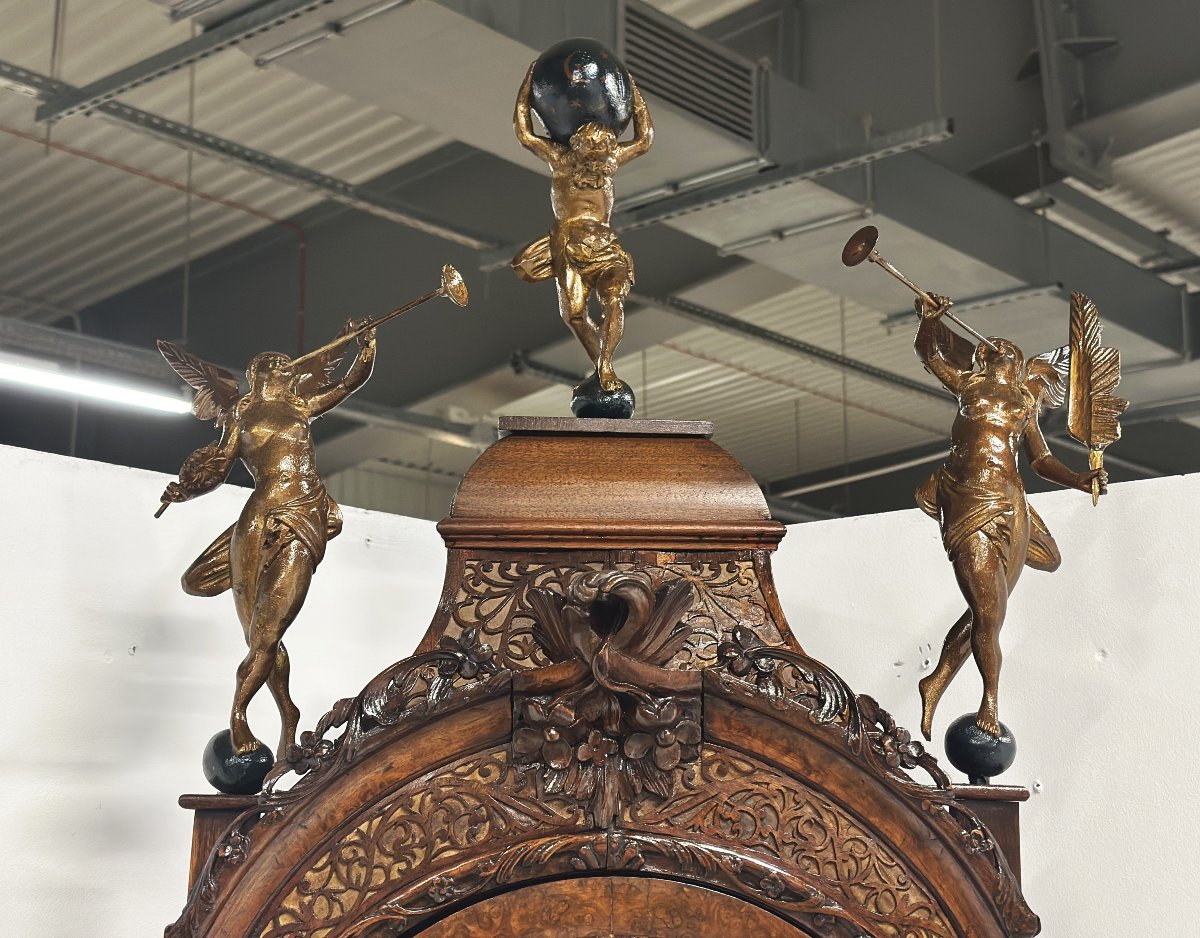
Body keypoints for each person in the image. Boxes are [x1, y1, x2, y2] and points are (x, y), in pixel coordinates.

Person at [158, 322, 376, 757]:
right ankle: (288, 712)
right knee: (256, 632)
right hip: (257, 519)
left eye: (284, 364)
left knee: (268, 629)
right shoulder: (241, 413)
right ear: (257, 376)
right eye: (271, 365)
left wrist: (366, 345)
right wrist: (186, 489)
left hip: (302, 514)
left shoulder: (301, 405)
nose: (282, 367)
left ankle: (238, 714)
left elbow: (352, 382)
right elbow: (218, 467)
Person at [913, 296, 1106, 740]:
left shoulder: (1023, 401)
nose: (1001, 346)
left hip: (1010, 500)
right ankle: (989, 701)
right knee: (988, 610)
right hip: (970, 495)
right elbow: (932, 355)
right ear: (983, 357)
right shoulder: (968, 386)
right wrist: (929, 321)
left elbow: (1040, 460)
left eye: (1009, 347)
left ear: (1018, 364)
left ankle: (939, 676)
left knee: (1006, 597)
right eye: (993, 345)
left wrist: (1078, 478)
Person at [512, 64, 653, 391]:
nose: (596, 156)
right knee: (574, 315)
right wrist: (527, 90)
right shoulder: (560, 160)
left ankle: (605, 365)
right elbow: (525, 133)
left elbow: (644, 140)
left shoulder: (611, 162)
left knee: (614, 298)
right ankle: (600, 362)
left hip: (605, 248)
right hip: (568, 246)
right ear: (577, 145)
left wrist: (632, 93)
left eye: (601, 149)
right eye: (591, 148)